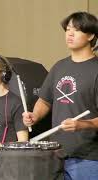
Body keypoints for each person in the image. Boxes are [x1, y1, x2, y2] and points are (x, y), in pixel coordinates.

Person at [23, 11, 98, 180]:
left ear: (91, 35)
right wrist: (34, 115)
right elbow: (45, 100)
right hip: (56, 153)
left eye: (76, 30)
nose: (69, 34)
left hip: (89, 158)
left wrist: (82, 124)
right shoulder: (59, 66)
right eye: (67, 29)